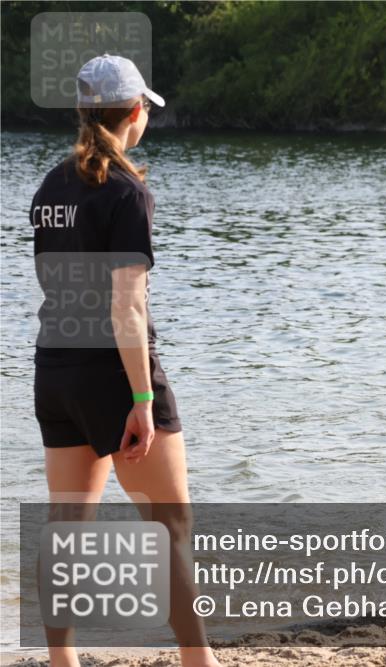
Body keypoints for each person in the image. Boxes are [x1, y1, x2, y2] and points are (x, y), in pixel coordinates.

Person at [31, 54, 221, 667]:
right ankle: (199, 662)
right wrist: (140, 400)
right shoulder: (127, 191)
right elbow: (128, 308)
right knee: (172, 528)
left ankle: (62, 662)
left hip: (54, 370)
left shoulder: (49, 188)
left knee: (66, 528)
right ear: (135, 113)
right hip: (115, 376)